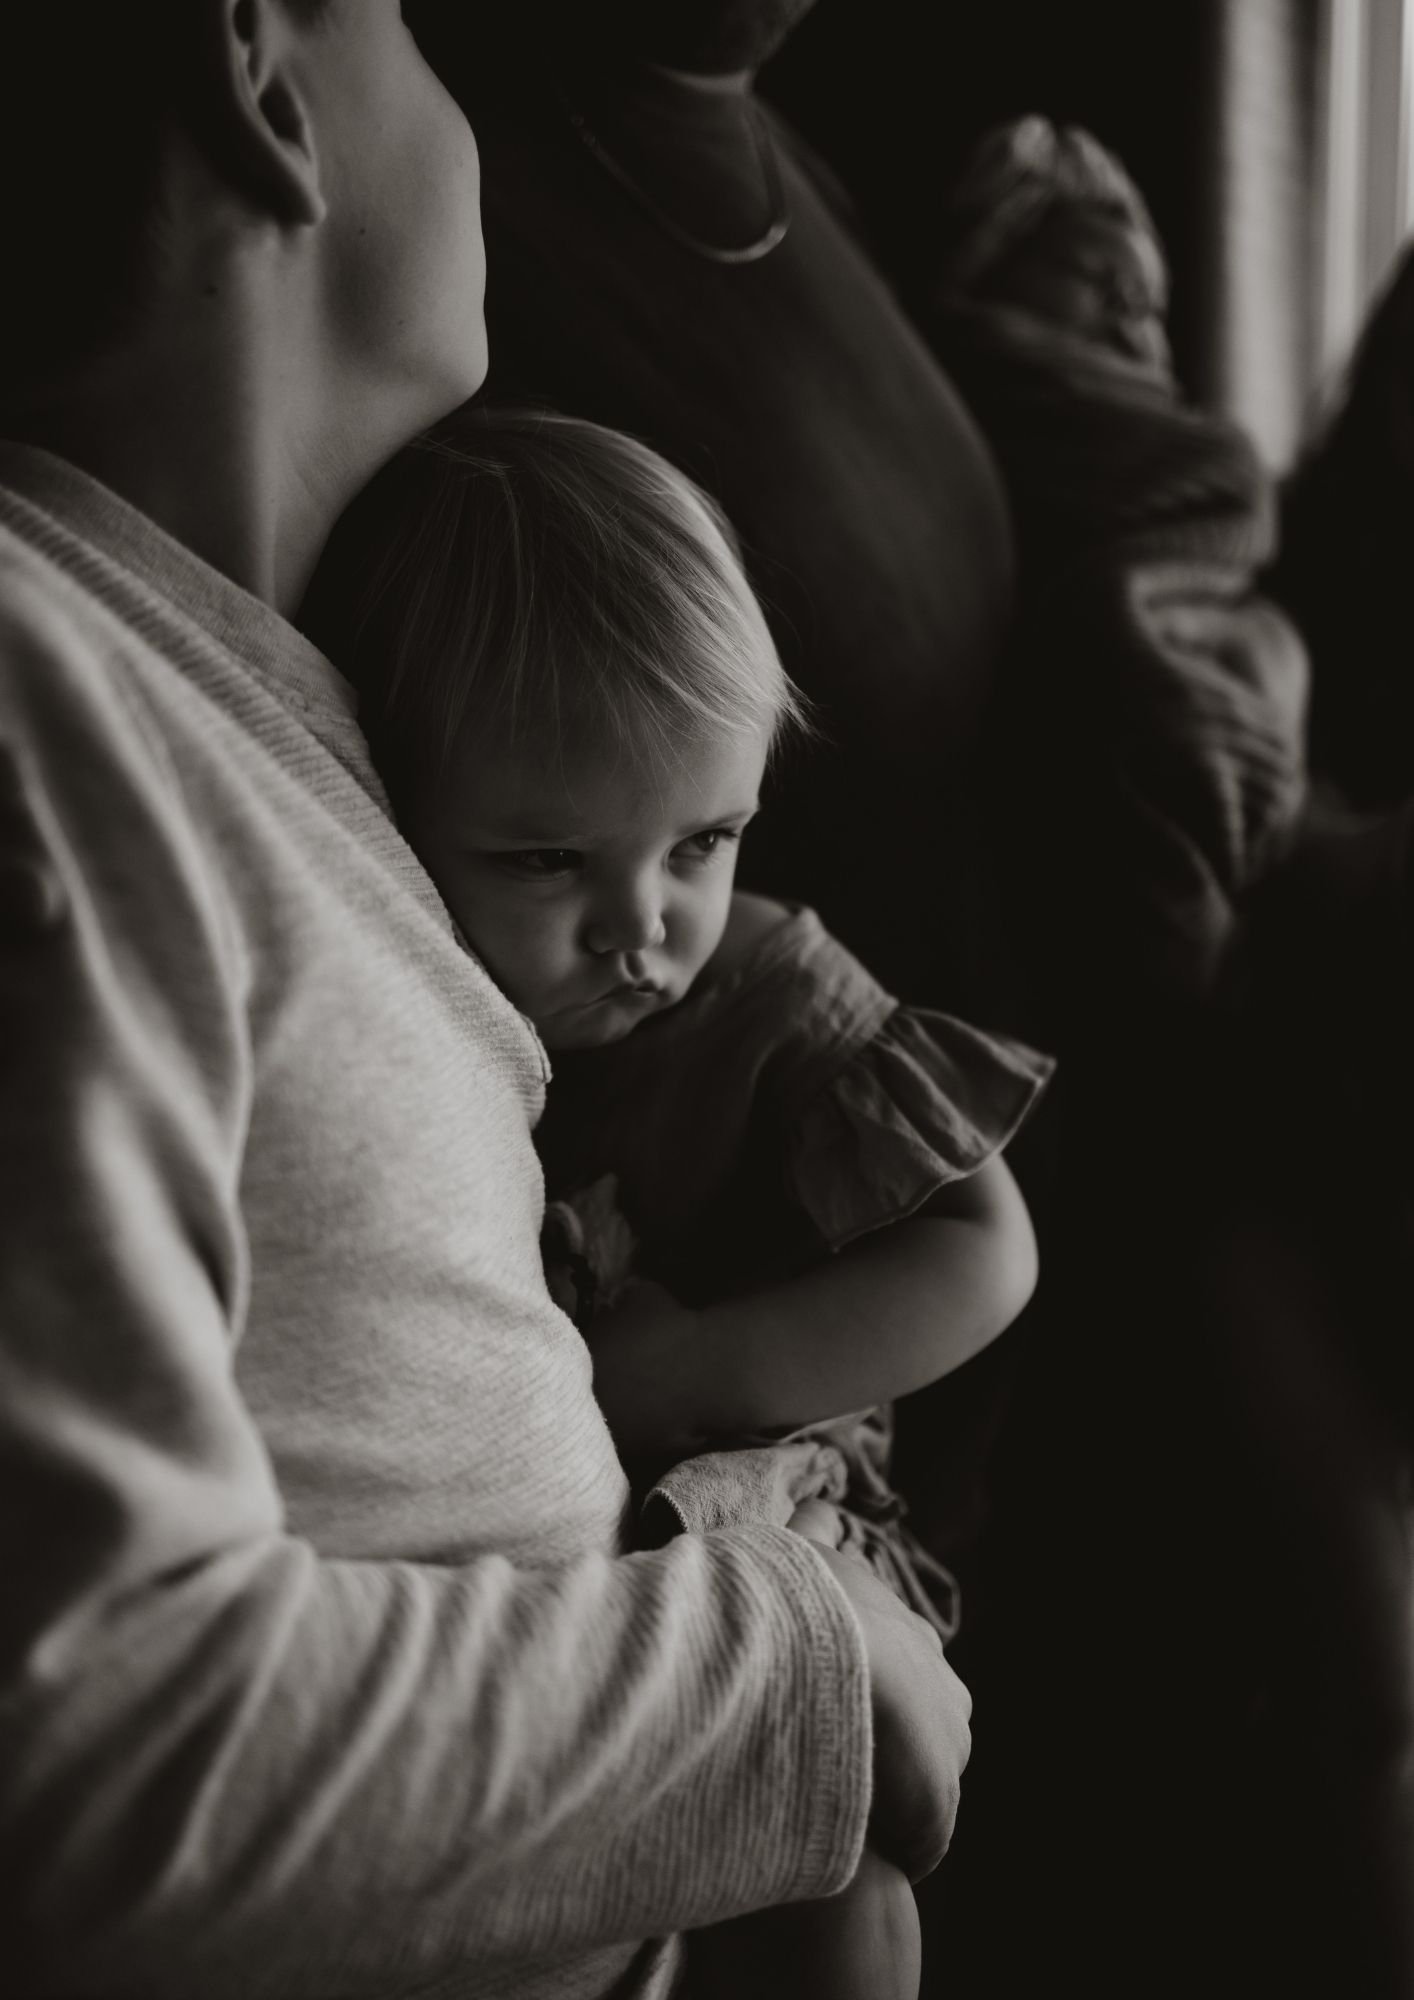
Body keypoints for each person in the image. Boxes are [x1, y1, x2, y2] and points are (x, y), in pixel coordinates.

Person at [0, 6, 973, 1996]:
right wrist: (795, 1671)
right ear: (260, 79)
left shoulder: (290, 735)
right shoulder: (45, 711)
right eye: (412, 30)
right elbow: (76, 1760)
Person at [308, 404, 1053, 2000]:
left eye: (703, 840)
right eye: (544, 861)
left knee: (840, 1873)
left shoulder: (767, 987)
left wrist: (700, 1364)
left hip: (778, 1504)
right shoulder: (407, 1010)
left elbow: (986, 1252)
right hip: (551, 1584)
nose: (642, 929)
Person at [924, 116, 1309, 1015]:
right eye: (1113, 289)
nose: (1144, 343)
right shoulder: (999, 398)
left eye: (1156, 313)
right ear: (993, 255)